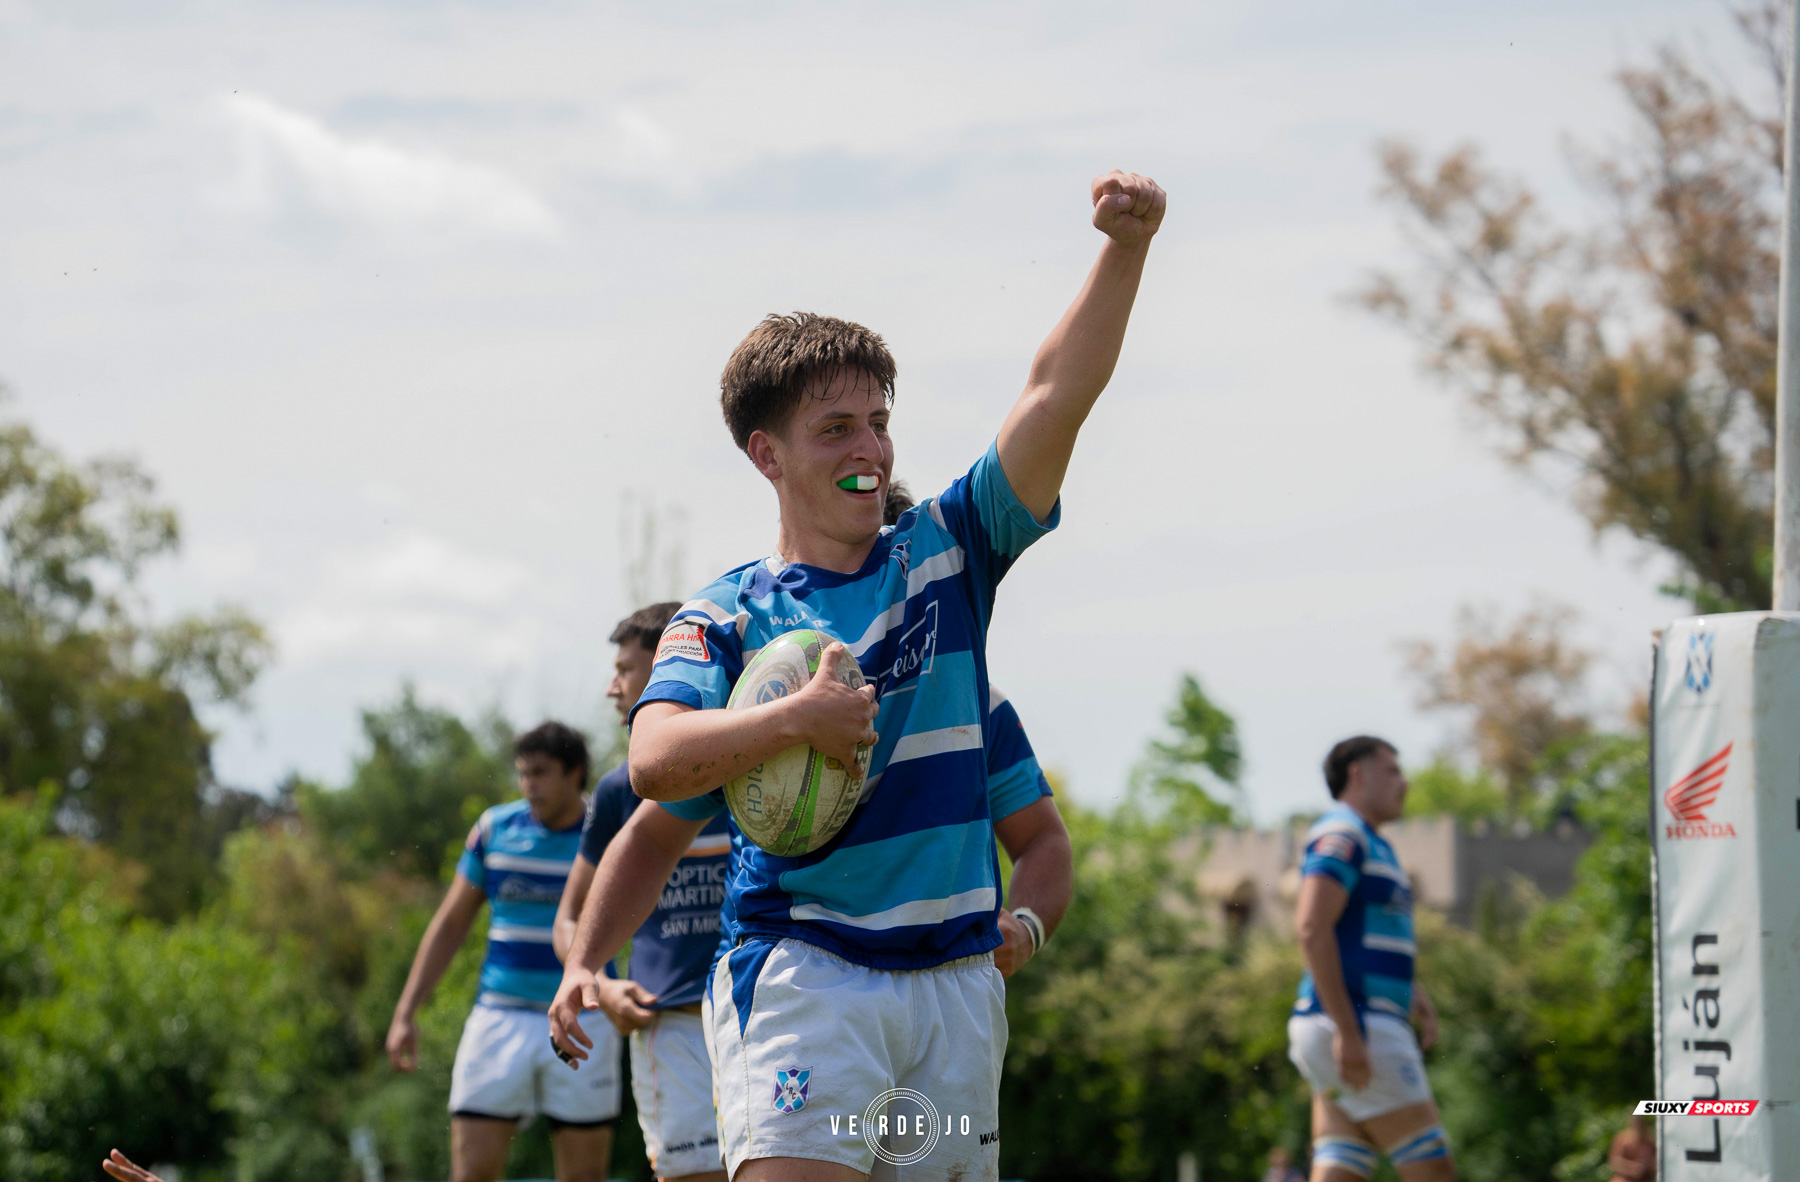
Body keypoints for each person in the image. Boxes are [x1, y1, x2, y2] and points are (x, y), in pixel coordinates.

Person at [548, 168, 1161, 1181]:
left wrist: (1124, 251)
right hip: (805, 975)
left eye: (879, 421)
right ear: (767, 455)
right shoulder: (726, 616)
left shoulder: (952, 551)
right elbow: (655, 767)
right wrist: (802, 722)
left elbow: (1055, 395)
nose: (870, 447)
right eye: (836, 428)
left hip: (956, 986)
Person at [386, 721, 619, 1182]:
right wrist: (405, 1012)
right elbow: (451, 923)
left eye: (540, 773)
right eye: (522, 773)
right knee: (470, 1175)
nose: (528, 785)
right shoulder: (495, 829)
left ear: (575, 774)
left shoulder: (609, 831)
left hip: (585, 1019)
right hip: (500, 1017)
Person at [552, 602, 732, 1182]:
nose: (612, 687)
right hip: (667, 1027)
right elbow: (569, 923)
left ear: (666, 672)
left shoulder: (753, 766)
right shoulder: (615, 792)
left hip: (758, 1014)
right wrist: (601, 988)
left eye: (625, 670)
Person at [1288, 737, 1455, 1182]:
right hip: (1357, 1024)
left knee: (1344, 1165)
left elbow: (1361, 933)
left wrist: (1410, 992)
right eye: (1393, 771)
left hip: (1352, 1021)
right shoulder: (1342, 834)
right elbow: (1311, 927)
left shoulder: (1373, 842)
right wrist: (1348, 1029)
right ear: (1358, 775)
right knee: (1434, 1170)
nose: (1405, 782)